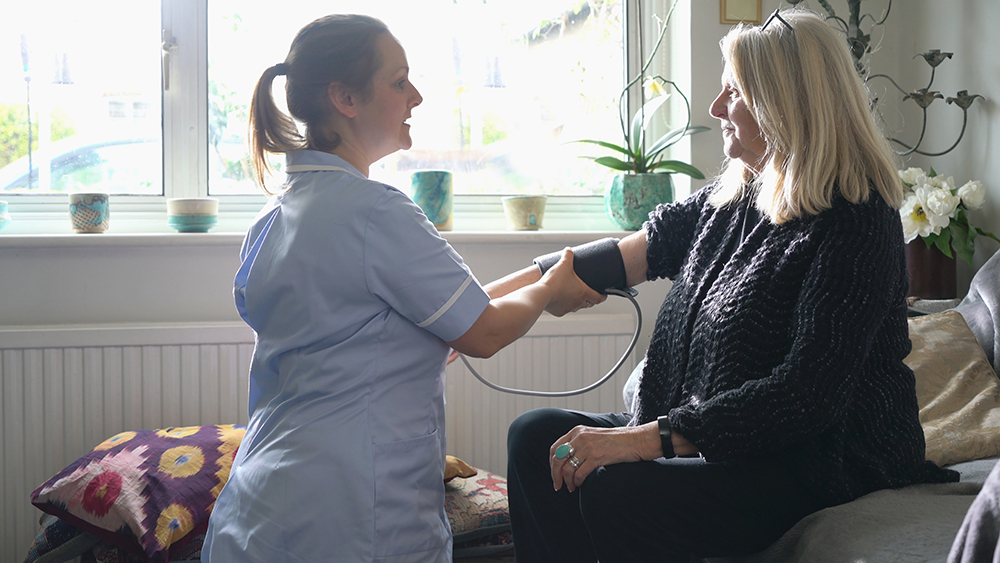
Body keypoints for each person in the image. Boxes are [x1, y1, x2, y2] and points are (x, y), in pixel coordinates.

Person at [505, 9, 960, 562]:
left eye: (734, 94)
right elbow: (599, 263)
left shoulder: (858, 220)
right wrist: (466, 313)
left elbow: (805, 394)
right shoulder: (731, 201)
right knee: (536, 438)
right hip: (715, 443)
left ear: (786, 105)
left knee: (616, 488)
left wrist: (642, 440)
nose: (717, 109)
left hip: (814, 460)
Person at [201, 14, 603, 563]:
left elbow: (419, 327)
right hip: (347, 513)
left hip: (260, 505)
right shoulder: (376, 211)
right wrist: (549, 290)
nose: (415, 96)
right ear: (345, 98)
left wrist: (539, 276)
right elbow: (482, 332)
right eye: (398, 82)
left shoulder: (275, 219)